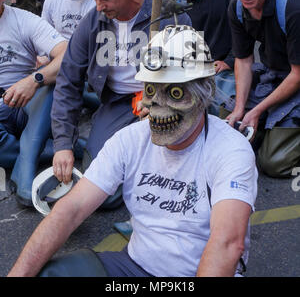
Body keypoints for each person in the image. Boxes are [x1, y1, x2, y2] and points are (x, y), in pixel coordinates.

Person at [7, 25, 257, 278]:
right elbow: (70, 209)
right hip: (134, 267)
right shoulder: (130, 139)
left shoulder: (231, 151)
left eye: (175, 92)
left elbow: (227, 244)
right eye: (150, 89)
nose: (156, 104)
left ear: (204, 93)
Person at [50, 0, 191, 204]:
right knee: (101, 194)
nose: (100, 7)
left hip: (164, 101)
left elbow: (192, 73)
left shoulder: (168, 12)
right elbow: (68, 81)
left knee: (172, 164)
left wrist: (164, 100)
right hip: (117, 103)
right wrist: (62, 144)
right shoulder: (94, 21)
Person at [225, 0, 300, 178]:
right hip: (276, 74)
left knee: (273, 163)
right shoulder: (237, 6)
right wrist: (240, 109)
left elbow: (297, 75)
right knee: (226, 122)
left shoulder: (293, 7)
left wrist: (256, 111)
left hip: (295, 75)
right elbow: (244, 60)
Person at [0, 0, 67, 206]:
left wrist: (33, 80)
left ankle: (25, 166)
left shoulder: (23, 20)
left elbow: (66, 55)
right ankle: (42, 149)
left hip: (23, 102)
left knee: (48, 82)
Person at [172, 0, 235, 113]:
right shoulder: (174, 0)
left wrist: (230, 60)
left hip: (226, 69)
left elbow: (245, 29)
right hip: (191, 73)